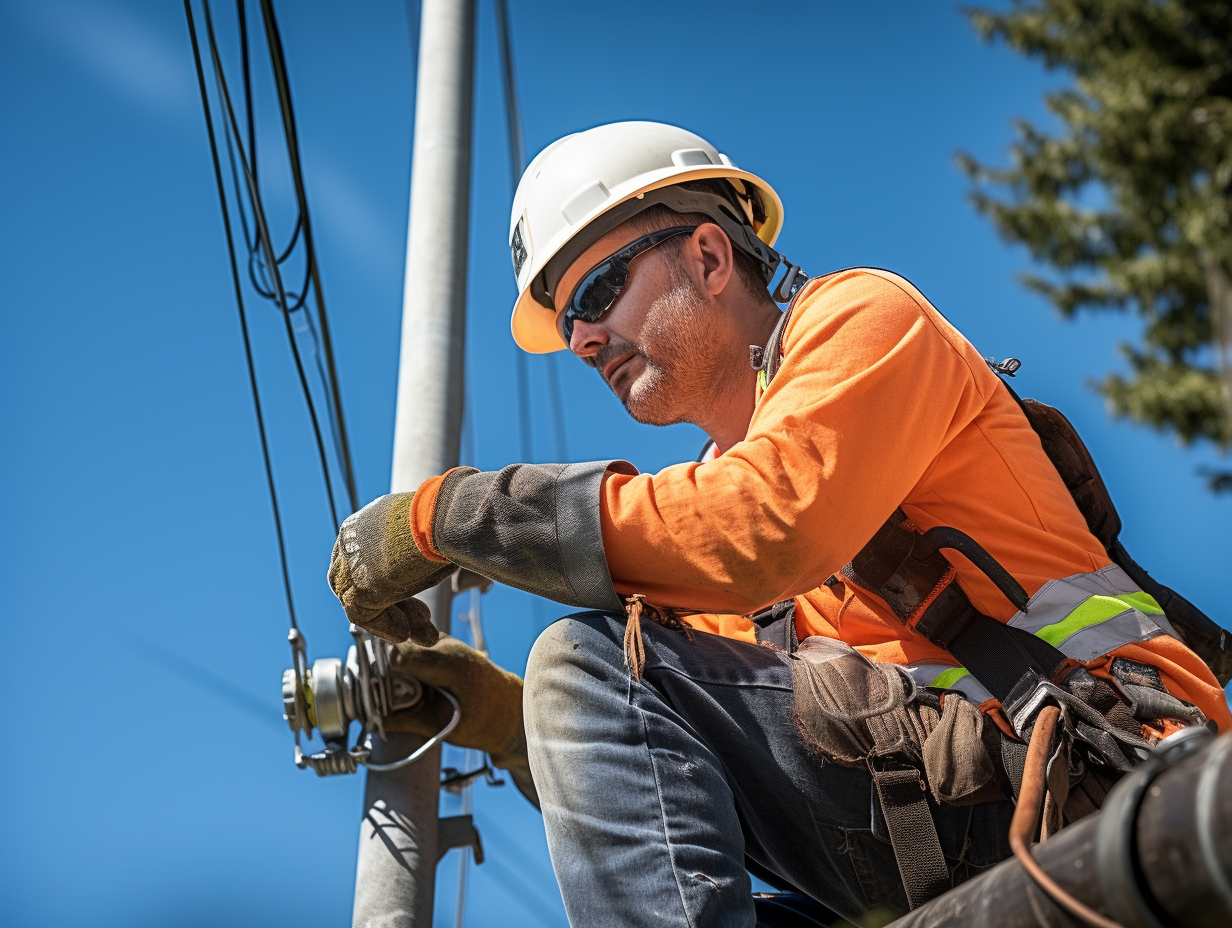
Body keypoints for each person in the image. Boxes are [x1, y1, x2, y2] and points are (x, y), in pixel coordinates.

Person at [327, 122, 1231, 926]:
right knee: (603, 683)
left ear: (712, 258)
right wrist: (505, 721)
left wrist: (443, 518)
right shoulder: (713, 533)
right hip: (935, 832)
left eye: (598, 292)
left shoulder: (864, 323)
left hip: (1094, 780)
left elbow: (766, 527)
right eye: (569, 323)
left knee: (588, 658)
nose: (584, 339)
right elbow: (649, 775)